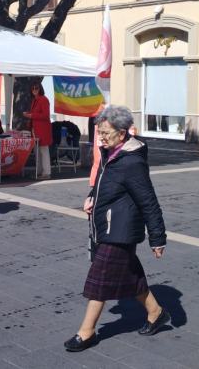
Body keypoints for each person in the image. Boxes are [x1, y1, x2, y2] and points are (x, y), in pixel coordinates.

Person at [65, 105, 169, 353]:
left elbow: (148, 200)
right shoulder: (110, 152)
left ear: (122, 133)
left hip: (120, 230)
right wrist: (92, 197)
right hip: (109, 225)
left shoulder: (131, 161)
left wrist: (158, 238)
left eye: (105, 132)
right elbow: (103, 184)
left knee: (98, 279)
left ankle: (87, 331)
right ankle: (156, 312)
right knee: (130, 275)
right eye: (99, 131)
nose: (100, 137)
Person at [23, 82, 52, 179]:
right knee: (37, 152)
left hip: (42, 130)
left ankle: (46, 172)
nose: (34, 90)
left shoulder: (43, 99)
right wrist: (29, 114)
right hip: (35, 129)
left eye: (36, 88)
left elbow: (46, 115)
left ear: (40, 89)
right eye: (33, 88)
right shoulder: (35, 100)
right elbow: (36, 114)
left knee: (43, 151)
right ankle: (39, 171)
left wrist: (31, 115)